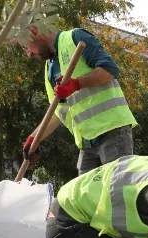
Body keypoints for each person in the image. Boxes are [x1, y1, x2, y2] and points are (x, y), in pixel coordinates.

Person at [20, 22, 137, 174]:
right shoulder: (49, 69)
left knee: (117, 192)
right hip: (86, 143)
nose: (28, 54)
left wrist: (76, 84)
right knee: (83, 196)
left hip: (112, 131)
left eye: (25, 47)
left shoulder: (75, 37)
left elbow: (109, 70)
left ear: (35, 33)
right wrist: (34, 138)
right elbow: (58, 111)